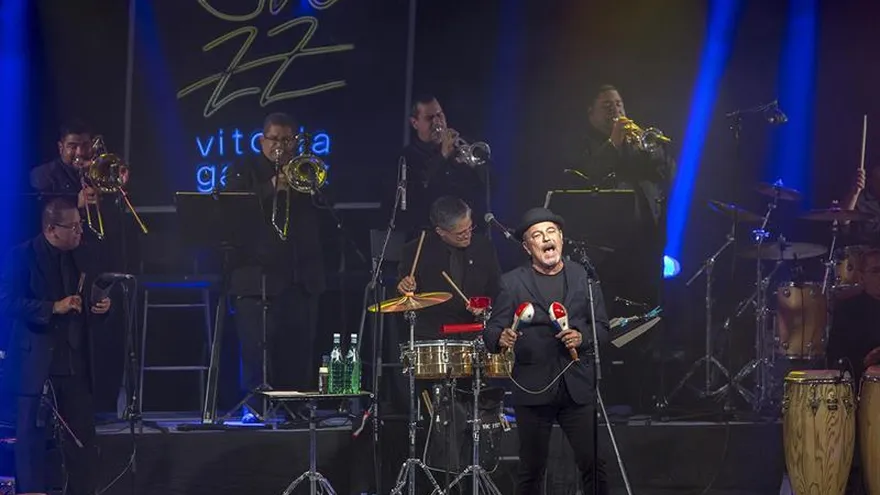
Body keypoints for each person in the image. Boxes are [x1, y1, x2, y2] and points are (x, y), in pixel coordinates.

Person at [484, 207, 610, 495]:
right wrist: (501, 337)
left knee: (593, 463)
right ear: (528, 247)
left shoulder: (584, 277)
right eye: (537, 235)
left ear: (562, 239)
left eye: (551, 232)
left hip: (577, 385)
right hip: (533, 386)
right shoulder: (512, 282)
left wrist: (582, 337)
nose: (546, 239)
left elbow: (603, 328)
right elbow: (491, 332)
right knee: (531, 469)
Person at [0, 197, 112, 495]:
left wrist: (100, 304)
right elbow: (7, 302)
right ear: (51, 229)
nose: (79, 232)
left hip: (74, 363)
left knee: (81, 438)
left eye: (80, 225)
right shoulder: (22, 255)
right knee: (31, 438)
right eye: (73, 226)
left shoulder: (82, 255)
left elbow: (92, 290)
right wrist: (53, 307)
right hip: (36, 363)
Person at [225, 112, 326, 420]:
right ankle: (256, 410)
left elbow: (325, 209)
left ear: (296, 142)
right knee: (256, 352)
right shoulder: (244, 168)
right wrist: (271, 187)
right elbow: (232, 209)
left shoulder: (306, 169)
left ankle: (297, 411)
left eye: (287, 140)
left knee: (298, 350)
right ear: (261, 141)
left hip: (300, 276)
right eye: (274, 140)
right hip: (257, 278)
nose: (280, 146)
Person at [573, 84, 675, 307]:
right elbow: (591, 173)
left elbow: (667, 173)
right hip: (608, 248)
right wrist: (614, 142)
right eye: (607, 106)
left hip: (647, 242)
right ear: (591, 112)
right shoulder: (583, 143)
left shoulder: (636, 142)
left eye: (619, 104)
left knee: (650, 310)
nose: (615, 111)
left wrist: (652, 148)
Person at [396, 196, 502, 340]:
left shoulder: (483, 247)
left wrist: (484, 306)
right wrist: (405, 288)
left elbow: (497, 290)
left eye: (470, 228)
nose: (467, 235)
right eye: (460, 233)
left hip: (476, 334)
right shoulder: (416, 250)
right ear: (441, 231)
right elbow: (403, 299)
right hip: (434, 337)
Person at [401, 95, 490, 233]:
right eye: (430, 118)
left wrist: (474, 167)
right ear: (414, 123)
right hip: (433, 234)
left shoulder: (463, 144)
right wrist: (442, 156)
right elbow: (420, 192)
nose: (437, 122)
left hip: (470, 230)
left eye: (439, 115)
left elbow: (492, 184)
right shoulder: (409, 156)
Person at [842, 166, 880, 244]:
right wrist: (854, 193)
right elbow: (842, 221)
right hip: (863, 250)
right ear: (871, 180)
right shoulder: (859, 199)